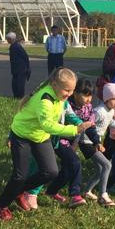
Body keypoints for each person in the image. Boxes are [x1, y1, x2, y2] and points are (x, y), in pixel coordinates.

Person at [0, 68, 92, 220]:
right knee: (20, 176)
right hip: (22, 136)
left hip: (40, 136)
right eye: (67, 90)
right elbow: (48, 125)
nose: (70, 94)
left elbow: (55, 121)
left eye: (72, 90)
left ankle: (18, 191)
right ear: (54, 85)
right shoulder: (45, 99)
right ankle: (1, 205)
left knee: (50, 171)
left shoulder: (60, 97)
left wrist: (79, 123)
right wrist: (75, 130)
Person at [44, 77, 97, 208]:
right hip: (59, 140)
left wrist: (96, 141)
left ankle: (51, 191)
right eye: (85, 95)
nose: (88, 99)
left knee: (68, 169)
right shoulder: (66, 104)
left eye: (90, 96)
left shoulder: (88, 107)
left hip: (72, 141)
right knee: (75, 163)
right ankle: (75, 195)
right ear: (76, 93)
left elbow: (88, 125)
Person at [83, 82, 115, 207]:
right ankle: (103, 195)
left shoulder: (110, 111)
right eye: (113, 99)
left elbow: (110, 121)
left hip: (95, 142)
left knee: (101, 169)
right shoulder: (99, 111)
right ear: (106, 99)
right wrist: (95, 142)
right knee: (107, 164)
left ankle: (86, 191)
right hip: (87, 142)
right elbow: (87, 126)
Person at [6, 32, 31, 99]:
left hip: (21, 69)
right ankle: (16, 97)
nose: (7, 40)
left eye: (7, 39)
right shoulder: (14, 46)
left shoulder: (17, 46)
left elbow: (25, 56)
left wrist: (27, 67)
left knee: (19, 85)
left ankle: (20, 98)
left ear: (11, 39)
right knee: (15, 84)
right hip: (16, 69)